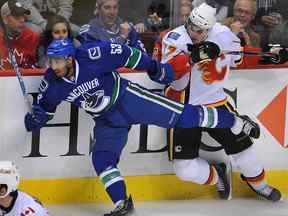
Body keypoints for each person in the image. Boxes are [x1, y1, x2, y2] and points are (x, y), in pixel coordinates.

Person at [23, 38, 259, 216]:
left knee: (184, 117)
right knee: (102, 160)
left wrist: (153, 67)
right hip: (107, 121)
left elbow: (126, 54)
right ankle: (123, 203)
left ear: (70, 58)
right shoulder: (52, 83)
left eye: (58, 61)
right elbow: (45, 109)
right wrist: (35, 120)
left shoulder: (92, 55)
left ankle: (238, 122)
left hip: (129, 99)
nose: (53, 66)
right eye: (51, 61)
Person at [161, 3, 281, 202]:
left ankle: (260, 185)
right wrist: (190, 58)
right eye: (191, 26)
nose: (193, 32)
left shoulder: (224, 35)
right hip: (184, 108)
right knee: (184, 169)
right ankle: (217, 175)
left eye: (200, 31)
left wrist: (270, 57)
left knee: (246, 152)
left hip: (215, 103)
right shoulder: (174, 38)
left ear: (209, 29)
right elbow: (165, 73)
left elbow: (241, 59)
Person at [77, 0, 145, 52]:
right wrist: (122, 38)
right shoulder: (89, 31)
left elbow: (142, 56)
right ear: (98, 9)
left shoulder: (128, 28)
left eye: (115, 7)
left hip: (129, 70)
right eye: (107, 8)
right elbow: (101, 58)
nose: (112, 12)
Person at [0, 0, 40, 70]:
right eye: (17, 16)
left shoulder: (33, 37)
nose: (22, 20)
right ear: (5, 19)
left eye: (23, 16)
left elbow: (42, 68)